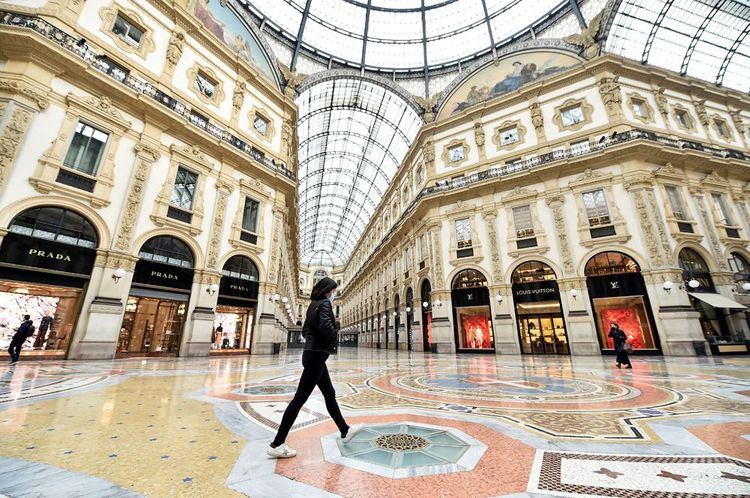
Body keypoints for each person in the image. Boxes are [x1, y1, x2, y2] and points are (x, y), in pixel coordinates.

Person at [267, 277, 363, 458]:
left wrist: (316, 338)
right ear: (327, 290)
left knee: (329, 393)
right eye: (332, 291)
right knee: (299, 399)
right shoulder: (325, 304)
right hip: (317, 356)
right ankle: (277, 444)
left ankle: (345, 430)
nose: (333, 294)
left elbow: (304, 330)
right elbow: (325, 326)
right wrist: (335, 336)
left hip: (312, 354)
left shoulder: (313, 305)